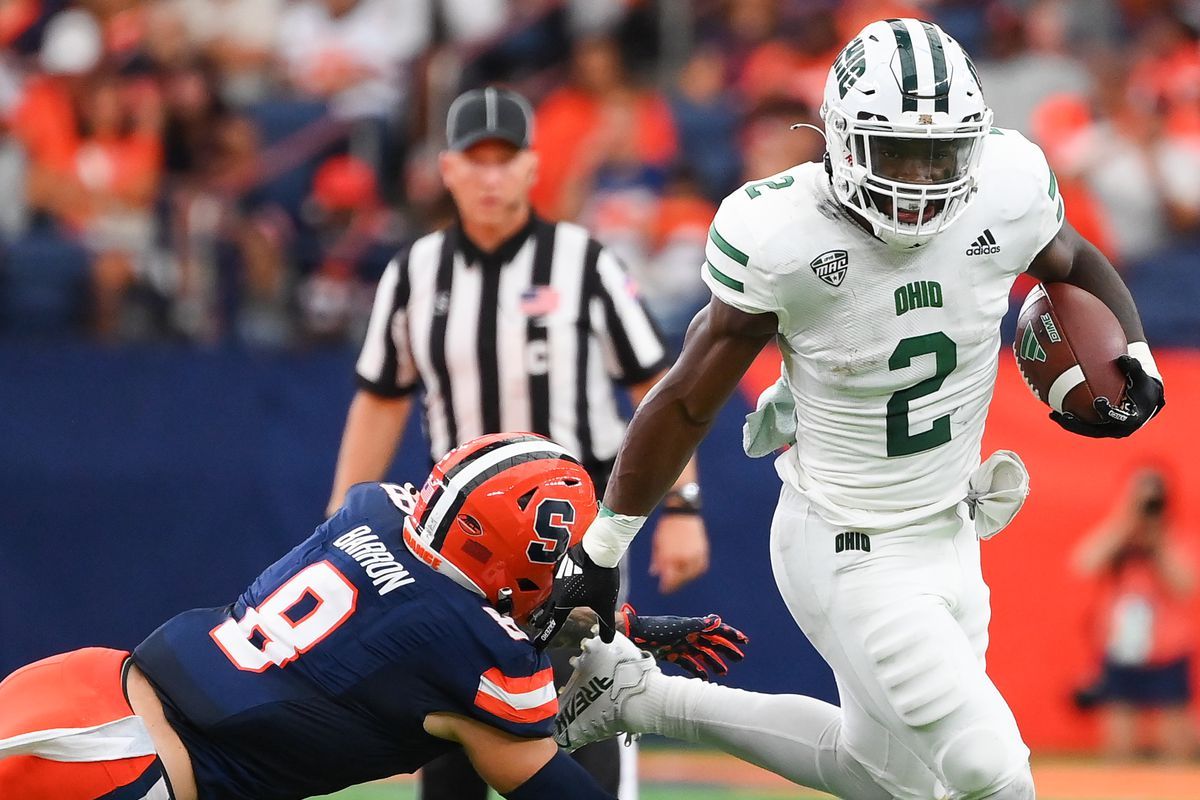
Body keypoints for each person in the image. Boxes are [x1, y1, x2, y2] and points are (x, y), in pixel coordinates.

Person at [540, 18, 1167, 800]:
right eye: (899, 151)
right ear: (839, 138)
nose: (922, 180)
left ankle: (637, 696)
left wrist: (1131, 352)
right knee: (989, 770)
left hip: (951, 531)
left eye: (941, 154)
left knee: (879, 776)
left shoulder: (1004, 185)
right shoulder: (783, 232)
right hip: (846, 541)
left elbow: (1071, 259)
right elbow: (687, 398)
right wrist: (603, 548)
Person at [0, 433, 745, 800]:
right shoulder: (476, 657)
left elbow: (423, 609)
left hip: (92, 679)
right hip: (123, 772)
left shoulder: (375, 511)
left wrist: (629, 624)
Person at [327, 85, 710, 799]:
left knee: (583, 707)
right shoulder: (414, 272)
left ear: (534, 167)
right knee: (447, 719)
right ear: (447, 169)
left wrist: (683, 503)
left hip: (570, 534)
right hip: (456, 540)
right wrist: (339, 515)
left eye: (507, 160)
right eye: (478, 160)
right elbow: (380, 398)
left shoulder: (584, 263)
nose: (492, 176)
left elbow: (660, 390)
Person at [1073, 469, 1195, 761]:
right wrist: (1126, 523)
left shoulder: (1175, 538)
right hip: (1122, 650)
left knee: (1177, 747)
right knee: (1119, 746)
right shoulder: (1119, 537)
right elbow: (1084, 563)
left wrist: (1158, 541)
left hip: (1167, 651)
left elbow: (1186, 586)